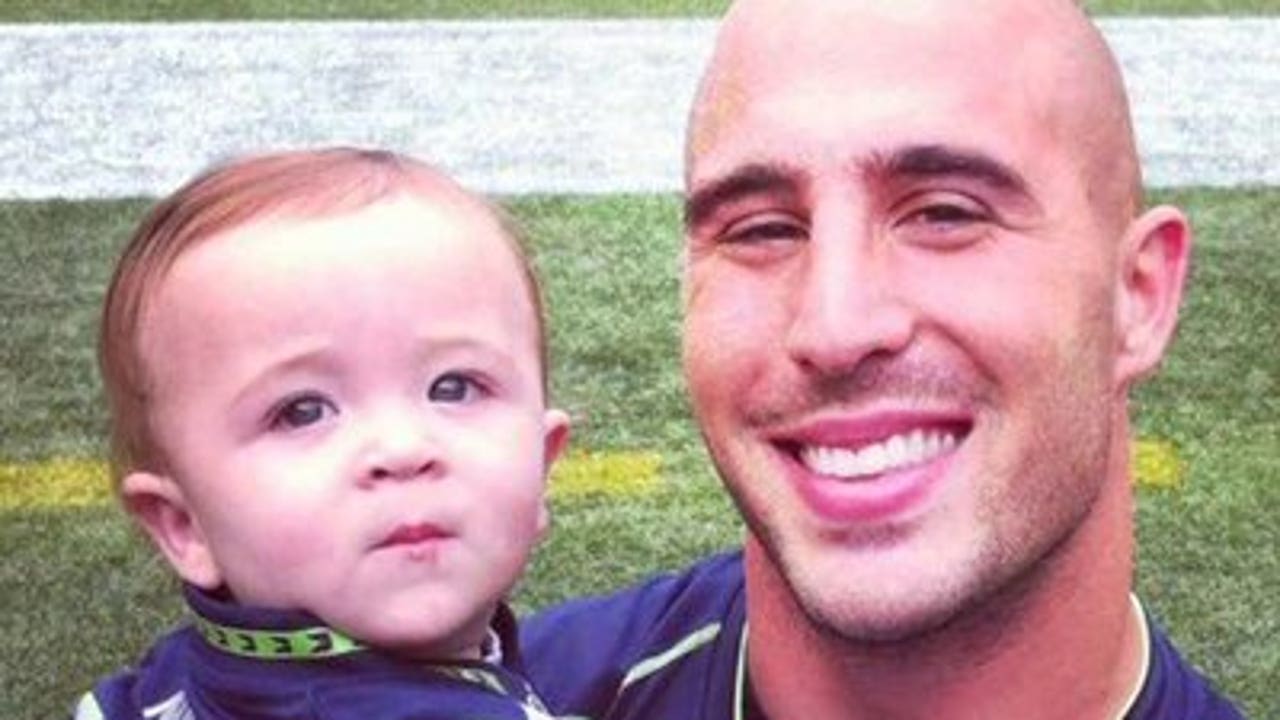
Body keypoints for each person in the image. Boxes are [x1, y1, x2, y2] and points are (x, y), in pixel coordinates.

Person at [520, 0, 1244, 718]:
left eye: (945, 213)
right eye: (761, 230)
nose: (835, 328)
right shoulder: (513, 698)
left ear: (1138, 295)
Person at [76, 148, 570, 719]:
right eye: (302, 411)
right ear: (184, 525)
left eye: (453, 387)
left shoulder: (154, 688)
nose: (403, 448)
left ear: (542, 464)